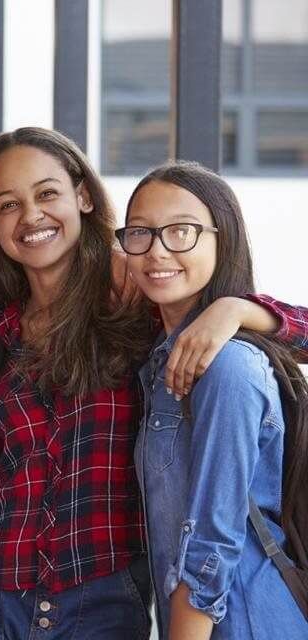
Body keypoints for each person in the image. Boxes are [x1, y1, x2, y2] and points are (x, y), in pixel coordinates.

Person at [0, 128, 308, 639]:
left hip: (101, 594)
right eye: (9, 204)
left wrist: (238, 309)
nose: (31, 216)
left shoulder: (141, 303)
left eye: (48, 193)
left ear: (83, 196)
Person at [123, 160, 308, 639]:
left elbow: (211, 540)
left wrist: (239, 307)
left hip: (245, 623)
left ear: (221, 238)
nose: (158, 250)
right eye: (141, 232)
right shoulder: (157, 359)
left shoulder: (229, 367)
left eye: (182, 231)